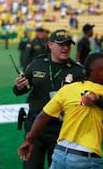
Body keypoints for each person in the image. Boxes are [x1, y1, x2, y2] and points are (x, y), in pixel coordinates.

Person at [17, 52, 103, 169]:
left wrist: (29, 140)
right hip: (85, 158)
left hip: (59, 154)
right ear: (101, 71)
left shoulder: (67, 89)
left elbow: (43, 116)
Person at [13, 29, 86, 169]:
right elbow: (22, 90)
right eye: (61, 44)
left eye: (68, 45)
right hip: (35, 129)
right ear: (50, 44)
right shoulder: (37, 64)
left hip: (63, 132)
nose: (65, 48)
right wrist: (18, 86)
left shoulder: (77, 71)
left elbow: (82, 101)